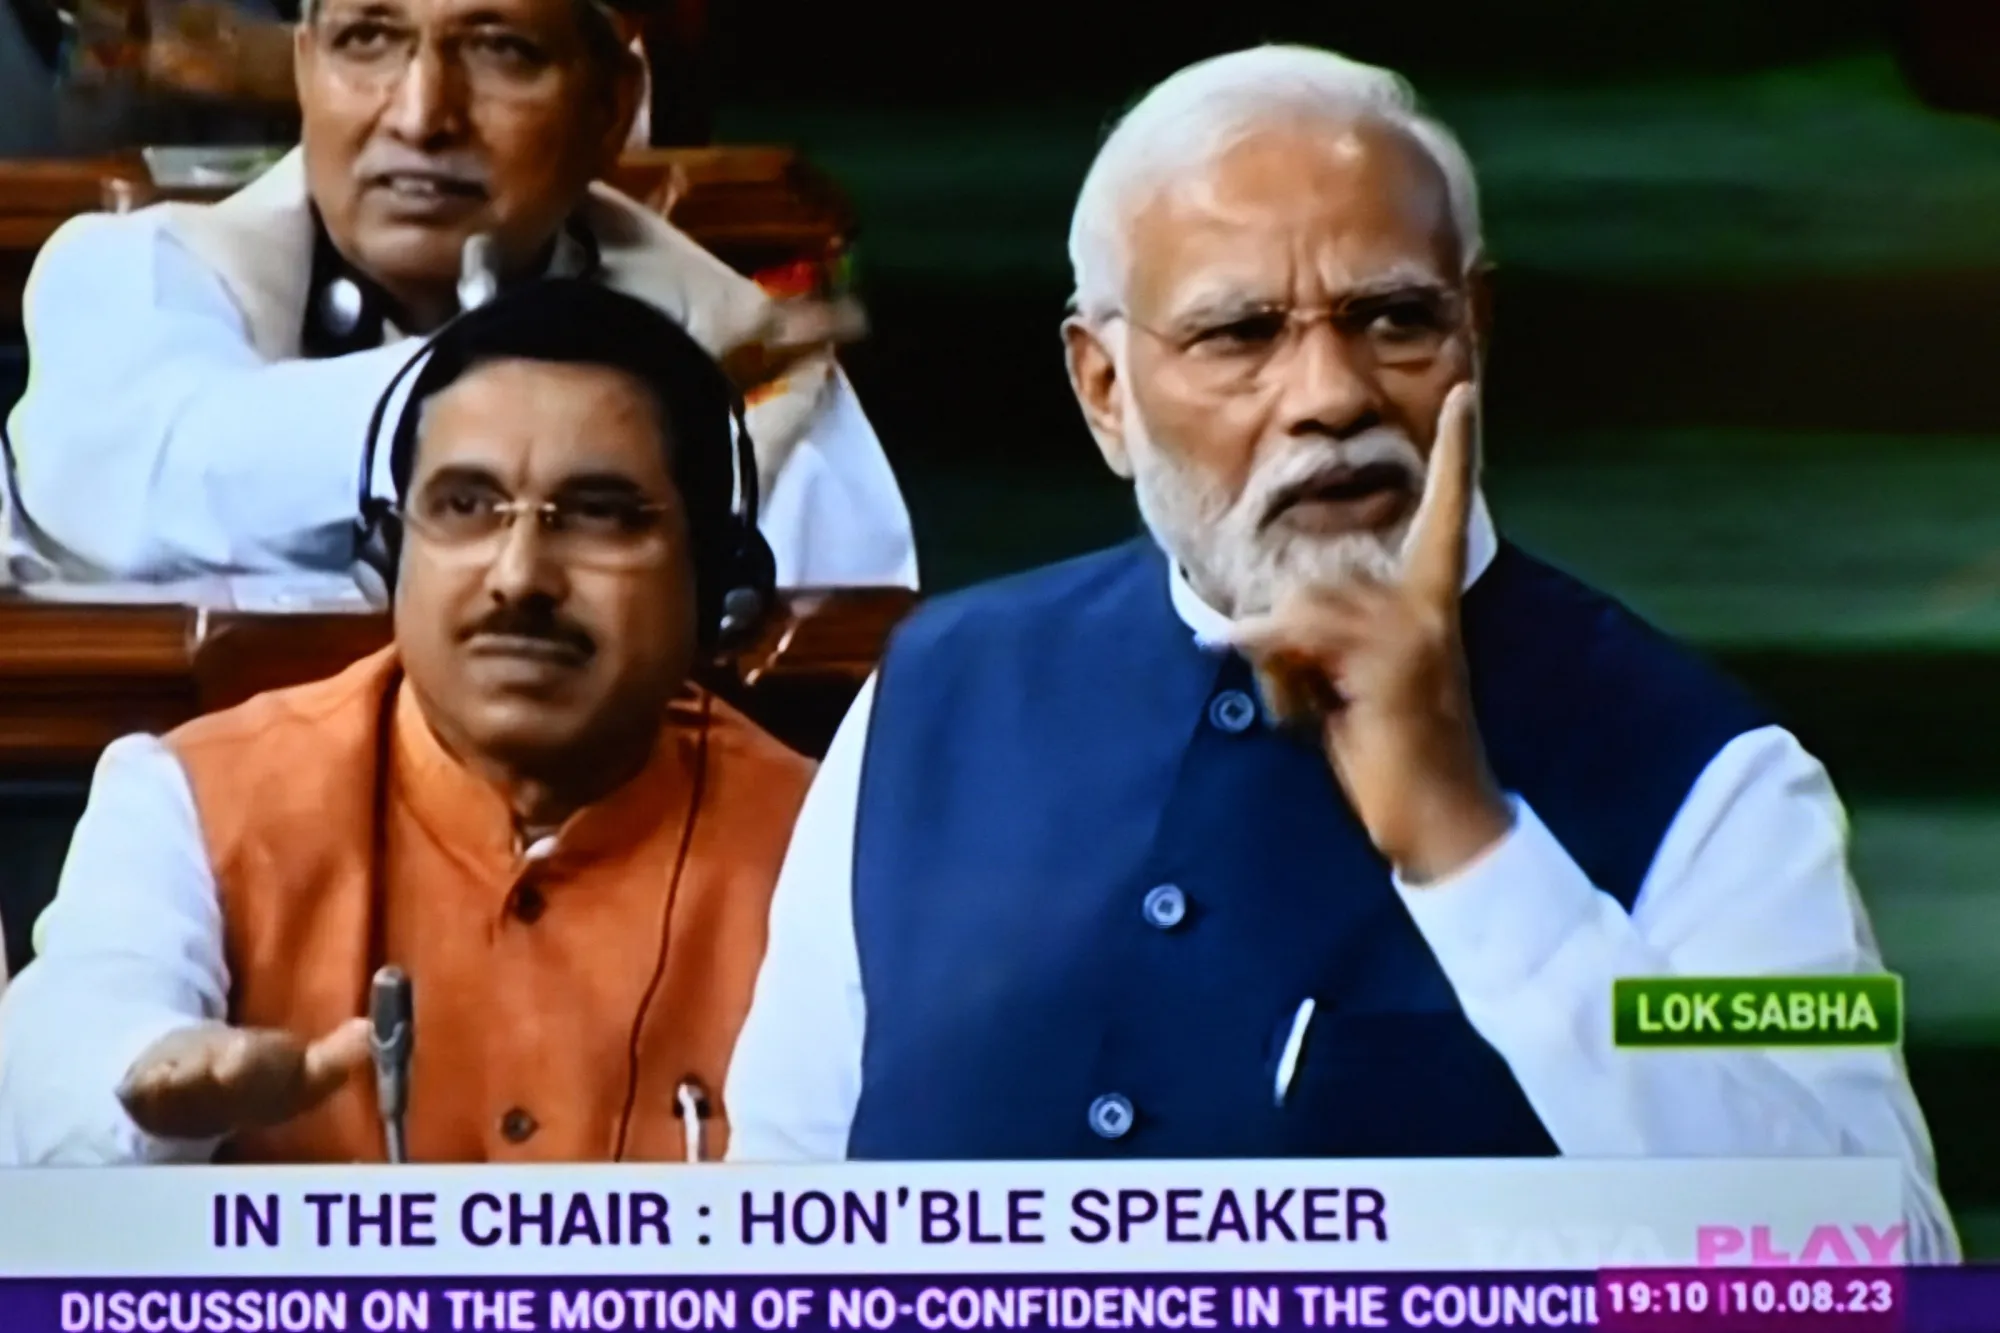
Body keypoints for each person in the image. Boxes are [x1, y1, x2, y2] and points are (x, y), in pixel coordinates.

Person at [721, 46, 1958, 1257]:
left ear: (1473, 331)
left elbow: (1876, 1259)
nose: (1328, 394)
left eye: (1391, 320)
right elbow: (780, 1209)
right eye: (1239, 334)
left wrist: (1477, 852)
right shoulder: (934, 699)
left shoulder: (1708, 780)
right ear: (1104, 388)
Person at [0, 279, 814, 1163]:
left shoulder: (827, 842)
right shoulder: (192, 798)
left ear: (714, 577)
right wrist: (148, 1080)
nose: (519, 576)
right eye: (465, 505)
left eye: (599, 516)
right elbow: (81, 1035)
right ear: (389, 554)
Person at [1, 0, 915, 590]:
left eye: (498, 50)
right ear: (306, 67)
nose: (420, 112)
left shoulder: (742, 351)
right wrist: (598, 379)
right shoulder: (130, 278)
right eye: (369, 41)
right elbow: (159, 488)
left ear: (609, 108)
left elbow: (827, 687)